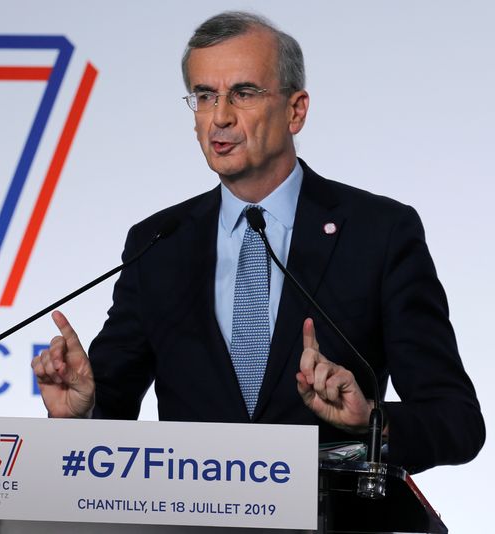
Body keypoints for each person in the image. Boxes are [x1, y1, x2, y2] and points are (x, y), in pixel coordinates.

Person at [30, 11, 484, 473]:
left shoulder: (380, 233)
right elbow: (109, 405)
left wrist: (372, 423)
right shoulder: (158, 244)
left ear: (296, 110)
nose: (220, 118)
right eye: (205, 96)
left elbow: (457, 420)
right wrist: (79, 413)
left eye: (243, 94)